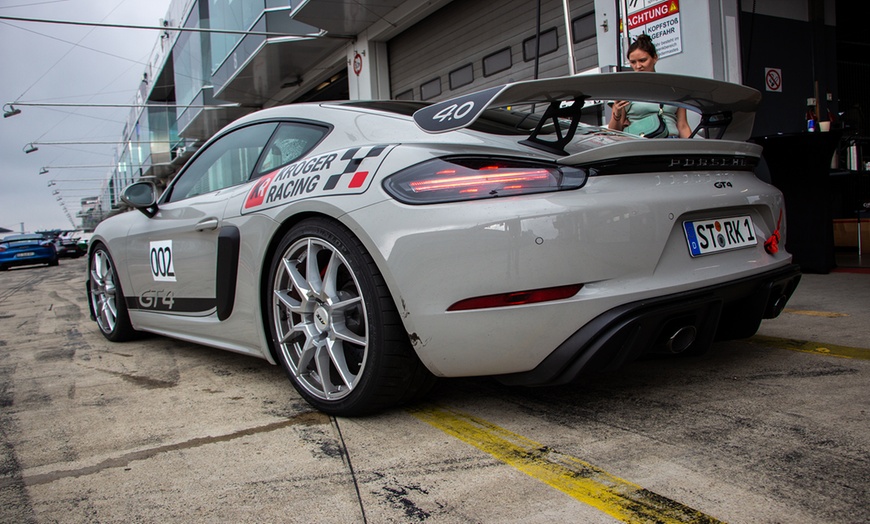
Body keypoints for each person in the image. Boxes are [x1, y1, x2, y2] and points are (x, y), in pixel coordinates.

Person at [608, 34, 691, 138]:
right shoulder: (626, 90)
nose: (638, 66)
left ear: (655, 58)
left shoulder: (674, 88)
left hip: (673, 143)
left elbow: (683, 125)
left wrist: (695, 151)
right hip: (643, 144)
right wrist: (616, 114)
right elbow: (613, 133)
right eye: (633, 62)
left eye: (643, 60)